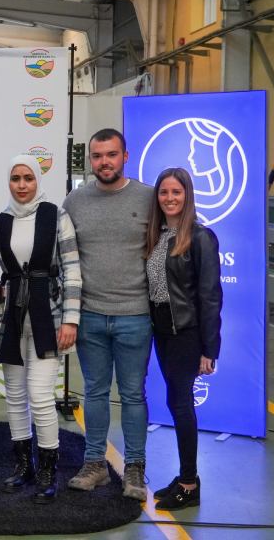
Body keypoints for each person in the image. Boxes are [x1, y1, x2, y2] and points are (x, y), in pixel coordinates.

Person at [62, 128, 154, 501]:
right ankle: (95, 464)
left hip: (136, 315)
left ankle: (135, 469)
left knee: (133, 395)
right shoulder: (75, 201)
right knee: (95, 393)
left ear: (125, 157)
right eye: (98, 156)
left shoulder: (149, 198)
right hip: (90, 317)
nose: (104, 162)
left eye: (111, 155)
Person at [0, 155, 81, 503]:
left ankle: (47, 470)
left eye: (28, 177)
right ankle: (22, 466)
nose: (22, 184)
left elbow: (72, 269)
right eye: (16, 178)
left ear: (38, 180)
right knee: (14, 397)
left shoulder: (56, 216)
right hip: (10, 317)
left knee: (41, 397)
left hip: (50, 317)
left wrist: (71, 319)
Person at [145, 167, 221, 510]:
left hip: (187, 335)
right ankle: (186, 476)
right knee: (176, 404)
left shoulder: (201, 237)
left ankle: (189, 484)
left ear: (187, 195)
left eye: (177, 192)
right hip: (162, 330)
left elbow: (210, 296)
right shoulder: (157, 235)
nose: (170, 198)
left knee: (181, 406)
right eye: (164, 192)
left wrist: (210, 348)